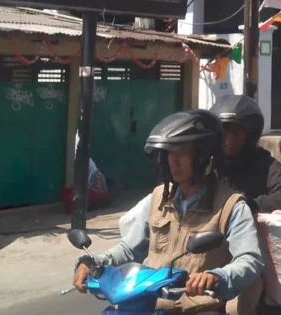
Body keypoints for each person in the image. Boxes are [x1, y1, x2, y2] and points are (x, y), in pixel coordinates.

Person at [72, 110, 264, 315]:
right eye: (169, 153)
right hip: (147, 304)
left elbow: (250, 259)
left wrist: (216, 276)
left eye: (182, 152)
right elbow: (129, 250)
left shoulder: (231, 205)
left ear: (203, 154)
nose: (173, 161)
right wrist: (93, 262)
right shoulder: (157, 199)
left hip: (196, 308)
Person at [210, 95, 281, 214]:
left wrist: (249, 205)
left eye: (237, 131)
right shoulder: (208, 165)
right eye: (225, 130)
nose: (230, 138)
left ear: (249, 134)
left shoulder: (264, 164)